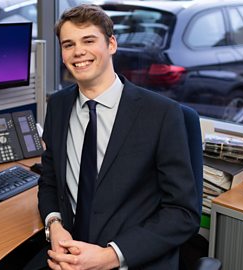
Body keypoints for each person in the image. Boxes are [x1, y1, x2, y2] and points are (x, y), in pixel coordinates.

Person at [36, 4, 200, 270]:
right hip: (70, 254)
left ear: (111, 44)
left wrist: (110, 256)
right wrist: (54, 226)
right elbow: (50, 180)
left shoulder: (161, 114)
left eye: (89, 40)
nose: (78, 52)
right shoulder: (58, 105)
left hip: (132, 259)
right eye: (68, 44)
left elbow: (183, 213)